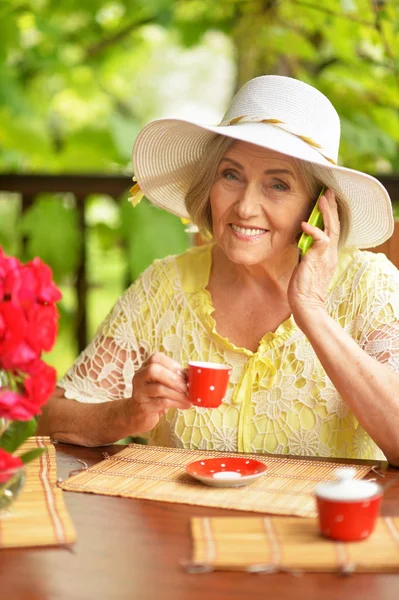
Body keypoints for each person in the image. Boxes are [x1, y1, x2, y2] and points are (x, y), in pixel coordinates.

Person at [37, 75, 399, 464]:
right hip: (182, 522)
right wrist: (127, 413)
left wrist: (310, 308)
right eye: (231, 175)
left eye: (278, 185)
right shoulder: (164, 286)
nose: (244, 207)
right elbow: (49, 418)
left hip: (313, 523)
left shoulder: (368, 285)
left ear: (317, 207)